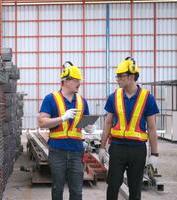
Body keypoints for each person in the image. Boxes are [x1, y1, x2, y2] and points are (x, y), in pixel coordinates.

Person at [99, 57, 159, 200]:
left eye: (120, 76)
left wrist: (154, 154)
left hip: (137, 150)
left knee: (135, 189)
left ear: (131, 77)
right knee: (113, 186)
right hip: (117, 148)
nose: (117, 79)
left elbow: (151, 127)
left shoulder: (147, 98)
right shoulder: (114, 97)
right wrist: (102, 147)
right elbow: (107, 123)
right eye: (117, 76)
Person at [38, 61, 95, 200]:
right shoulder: (51, 99)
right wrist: (63, 118)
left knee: (76, 191)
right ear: (66, 81)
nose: (79, 83)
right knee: (57, 189)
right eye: (76, 80)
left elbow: (84, 123)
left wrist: (88, 127)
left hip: (76, 151)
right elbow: (42, 122)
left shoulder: (82, 102)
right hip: (57, 151)